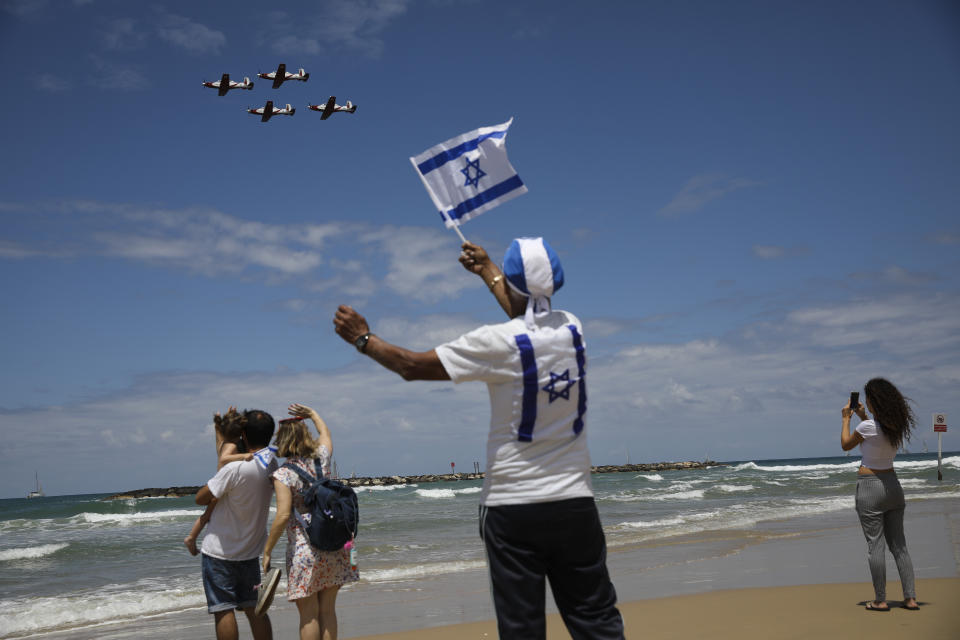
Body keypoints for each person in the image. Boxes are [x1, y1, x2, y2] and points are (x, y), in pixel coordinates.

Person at [333, 238, 624, 639]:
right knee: (596, 619)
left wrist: (363, 339)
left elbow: (411, 366)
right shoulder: (572, 328)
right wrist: (487, 269)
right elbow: (525, 311)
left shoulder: (496, 342)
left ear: (515, 283)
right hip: (576, 504)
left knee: (522, 628)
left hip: (513, 510)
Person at [262, 403, 358, 640]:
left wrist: (266, 552)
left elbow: (283, 514)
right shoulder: (322, 459)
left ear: (281, 441)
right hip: (335, 544)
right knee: (328, 610)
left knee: (309, 615)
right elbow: (326, 434)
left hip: (304, 549)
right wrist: (313, 414)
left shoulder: (284, 474)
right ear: (306, 436)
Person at [196, 409, 278, 640]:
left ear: (243, 434)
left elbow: (201, 498)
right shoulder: (271, 465)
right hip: (249, 552)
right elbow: (225, 460)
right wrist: (221, 434)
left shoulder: (234, 468)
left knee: (223, 609)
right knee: (254, 608)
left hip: (219, 553)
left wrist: (226, 435)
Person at [840, 377, 919, 612]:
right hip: (893, 486)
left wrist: (846, 419)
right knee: (899, 546)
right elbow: (875, 434)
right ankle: (910, 598)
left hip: (869, 485)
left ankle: (880, 600)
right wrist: (864, 416)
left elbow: (846, 445)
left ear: (875, 401)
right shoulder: (896, 427)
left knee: (876, 545)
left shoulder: (866, 428)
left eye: (868, 400)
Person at [184, 406, 254, 555]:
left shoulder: (223, 443)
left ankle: (192, 537)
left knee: (208, 516)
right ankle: (191, 538)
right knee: (207, 515)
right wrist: (243, 456)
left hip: (221, 484)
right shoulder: (231, 446)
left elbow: (218, 438)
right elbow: (224, 458)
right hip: (221, 486)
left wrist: (219, 423)